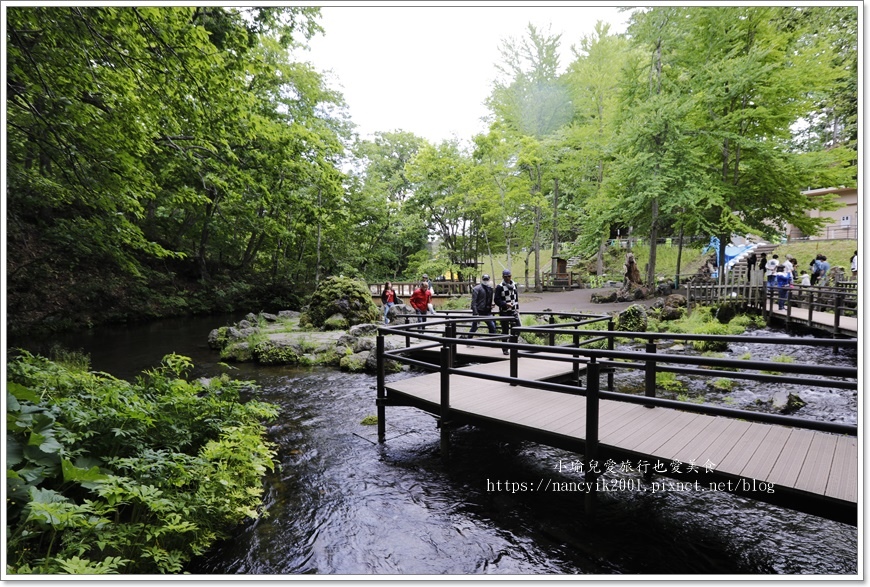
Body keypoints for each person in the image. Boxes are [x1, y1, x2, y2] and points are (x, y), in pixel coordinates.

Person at [462, 274, 497, 342]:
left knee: (492, 326)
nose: (486, 281)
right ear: (482, 280)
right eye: (484, 279)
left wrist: (491, 305)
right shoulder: (477, 289)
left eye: (487, 279)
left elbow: (489, 300)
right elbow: (474, 302)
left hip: (487, 312)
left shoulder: (490, 289)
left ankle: (493, 342)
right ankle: (468, 341)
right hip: (479, 311)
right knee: (474, 327)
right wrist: (475, 313)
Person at [494, 269, 520, 355]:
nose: (507, 278)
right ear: (503, 277)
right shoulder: (499, 287)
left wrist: (517, 308)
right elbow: (496, 300)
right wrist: (505, 304)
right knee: (505, 330)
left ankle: (513, 347)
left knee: (517, 329)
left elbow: (516, 297)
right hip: (504, 312)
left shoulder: (514, 285)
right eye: (505, 277)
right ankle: (505, 349)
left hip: (513, 311)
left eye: (509, 276)